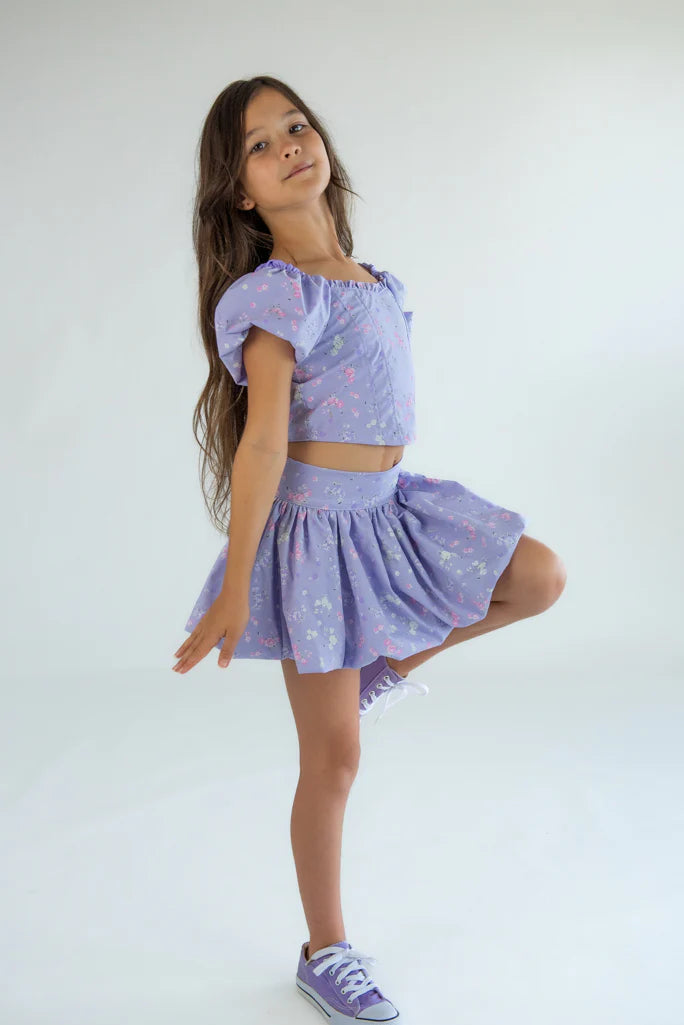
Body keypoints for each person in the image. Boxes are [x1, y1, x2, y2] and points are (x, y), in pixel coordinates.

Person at [172, 76, 567, 1022]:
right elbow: (263, 444)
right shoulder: (275, 295)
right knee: (335, 760)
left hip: (389, 512)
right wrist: (237, 581)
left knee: (537, 576)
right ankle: (325, 950)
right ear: (240, 194)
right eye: (259, 146)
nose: (288, 146)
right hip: (315, 540)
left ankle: (381, 669)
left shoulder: (377, 284)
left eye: (295, 126)